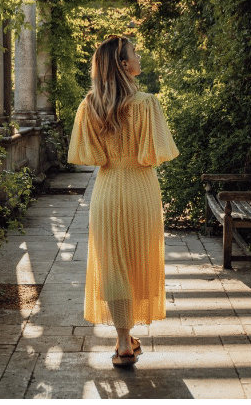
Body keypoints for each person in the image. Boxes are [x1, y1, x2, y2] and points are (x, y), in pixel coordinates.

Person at [68, 35, 179, 368]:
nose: (139, 57)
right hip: (141, 189)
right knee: (137, 260)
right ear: (122, 64)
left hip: (107, 190)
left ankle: (122, 342)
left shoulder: (90, 104)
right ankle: (128, 338)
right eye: (135, 54)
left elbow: (91, 156)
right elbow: (155, 155)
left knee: (112, 265)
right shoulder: (147, 103)